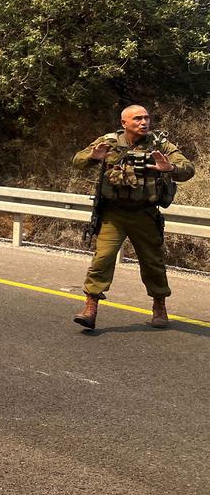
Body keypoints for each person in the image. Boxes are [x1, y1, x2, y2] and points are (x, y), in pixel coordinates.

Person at [72, 105, 195, 329]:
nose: (144, 122)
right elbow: (77, 161)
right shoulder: (109, 141)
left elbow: (188, 168)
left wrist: (170, 168)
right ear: (124, 123)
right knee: (103, 259)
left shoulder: (160, 144)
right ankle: (90, 306)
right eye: (137, 118)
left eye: (146, 117)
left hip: (145, 214)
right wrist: (93, 156)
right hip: (114, 214)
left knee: (153, 263)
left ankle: (159, 306)